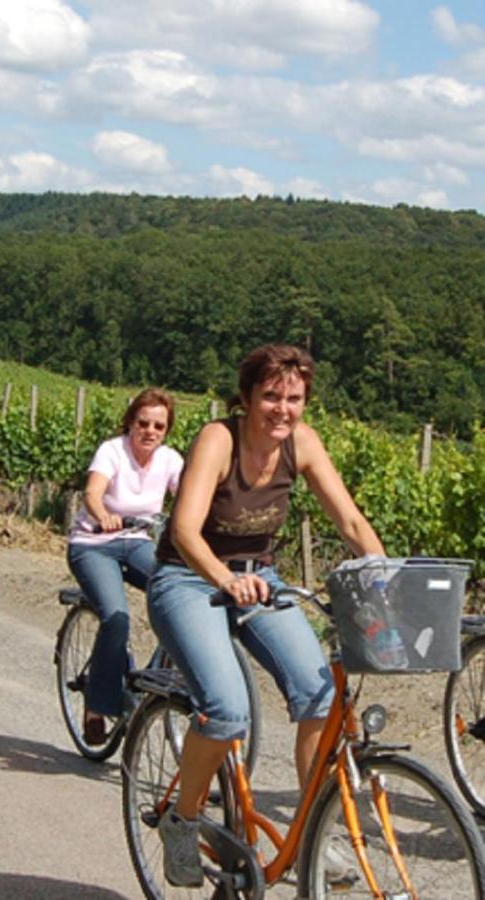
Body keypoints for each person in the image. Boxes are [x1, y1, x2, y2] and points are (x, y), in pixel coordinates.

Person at [148, 344, 384, 888]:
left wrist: (386, 581)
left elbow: (349, 520)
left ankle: (310, 833)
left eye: (294, 398)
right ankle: (182, 822)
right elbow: (184, 531)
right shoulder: (218, 439)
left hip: (261, 579)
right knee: (227, 708)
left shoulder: (301, 444)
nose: (283, 408)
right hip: (187, 576)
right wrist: (225, 579)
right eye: (271, 396)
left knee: (320, 696)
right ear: (248, 397)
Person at [67, 388, 182, 744]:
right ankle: (97, 705)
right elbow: (92, 492)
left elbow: (191, 495)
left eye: (158, 426)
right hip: (94, 545)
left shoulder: (170, 460)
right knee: (117, 616)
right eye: (143, 423)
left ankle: (152, 677)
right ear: (130, 422)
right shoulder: (112, 451)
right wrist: (103, 515)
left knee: (179, 594)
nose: (150, 431)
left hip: (138, 543)